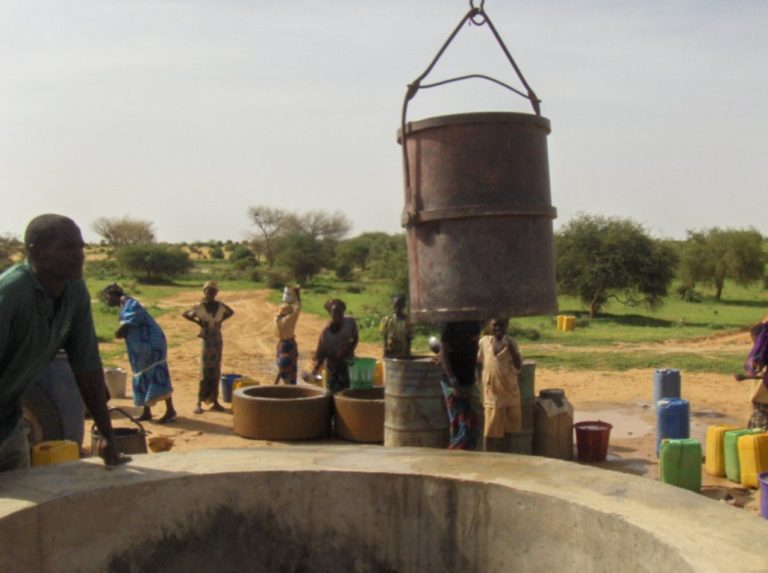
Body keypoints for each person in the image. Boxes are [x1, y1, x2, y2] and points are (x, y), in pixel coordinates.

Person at [0, 214, 128, 471]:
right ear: (36, 252)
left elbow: (87, 365)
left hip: (9, 421)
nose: (79, 255)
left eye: (81, 247)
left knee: (24, 501)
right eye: (67, 247)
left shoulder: (74, 290)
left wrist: (106, 434)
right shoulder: (11, 294)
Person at [104, 284, 177, 423]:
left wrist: (121, 329)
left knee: (156, 373)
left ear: (114, 294)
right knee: (142, 375)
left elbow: (133, 318)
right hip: (141, 348)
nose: (106, 301)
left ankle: (170, 410)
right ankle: (146, 411)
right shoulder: (123, 305)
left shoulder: (130, 302)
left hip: (151, 345)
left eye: (107, 297)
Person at [182, 281, 234, 414]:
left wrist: (220, 320)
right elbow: (186, 314)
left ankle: (214, 401)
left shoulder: (219, 306)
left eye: (212, 291)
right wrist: (199, 323)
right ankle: (199, 402)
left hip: (216, 339)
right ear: (204, 292)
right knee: (205, 371)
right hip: (208, 339)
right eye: (208, 291)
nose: (210, 294)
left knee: (216, 370)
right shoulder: (200, 307)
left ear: (216, 293)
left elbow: (231, 312)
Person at [477, 319, 523, 452]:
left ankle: (508, 458)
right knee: (490, 431)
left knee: (510, 430)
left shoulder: (512, 342)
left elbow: (518, 365)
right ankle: (488, 457)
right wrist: (481, 384)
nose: (498, 328)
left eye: (501, 325)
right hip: (492, 394)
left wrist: (511, 348)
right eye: (495, 325)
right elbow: (479, 363)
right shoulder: (484, 342)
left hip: (510, 393)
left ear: (507, 326)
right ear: (489, 326)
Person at [438, 321, 481, 450]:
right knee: (463, 423)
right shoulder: (450, 325)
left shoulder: (475, 324)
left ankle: (460, 456)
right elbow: (443, 354)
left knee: (460, 423)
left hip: (468, 382)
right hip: (450, 384)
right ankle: (455, 454)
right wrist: (454, 383)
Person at [311, 299, 359, 393]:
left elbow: (355, 338)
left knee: (349, 393)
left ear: (343, 312)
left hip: (348, 365)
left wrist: (349, 350)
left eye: (340, 312)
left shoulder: (350, 322)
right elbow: (321, 354)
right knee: (333, 394)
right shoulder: (325, 333)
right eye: (335, 313)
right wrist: (315, 370)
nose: (338, 315)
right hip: (333, 368)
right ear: (330, 314)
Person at [735, 321, 768, 430]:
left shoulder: (761, 359)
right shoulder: (759, 360)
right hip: (759, 407)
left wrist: (745, 377)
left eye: (756, 341)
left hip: (763, 407)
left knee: (759, 440)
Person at [274, 285, 301, 384]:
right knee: (291, 371)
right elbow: (298, 308)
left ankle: (279, 383)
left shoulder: (276, 319)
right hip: (289, 345)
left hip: (280, 345)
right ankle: (289, 389)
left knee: (282, 367)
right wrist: (297, 295)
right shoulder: (288, 319)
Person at [379, 294, 413, 358]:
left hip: (403, 352)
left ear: (404, 306)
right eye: (396, 305)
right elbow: (385, 337)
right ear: (393, 305)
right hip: (390, 352)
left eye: (400, 305)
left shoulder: (407, 321)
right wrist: (385, 352)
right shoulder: (387, 320)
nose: (397, 307)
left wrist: (408, 353)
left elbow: (409, 339)